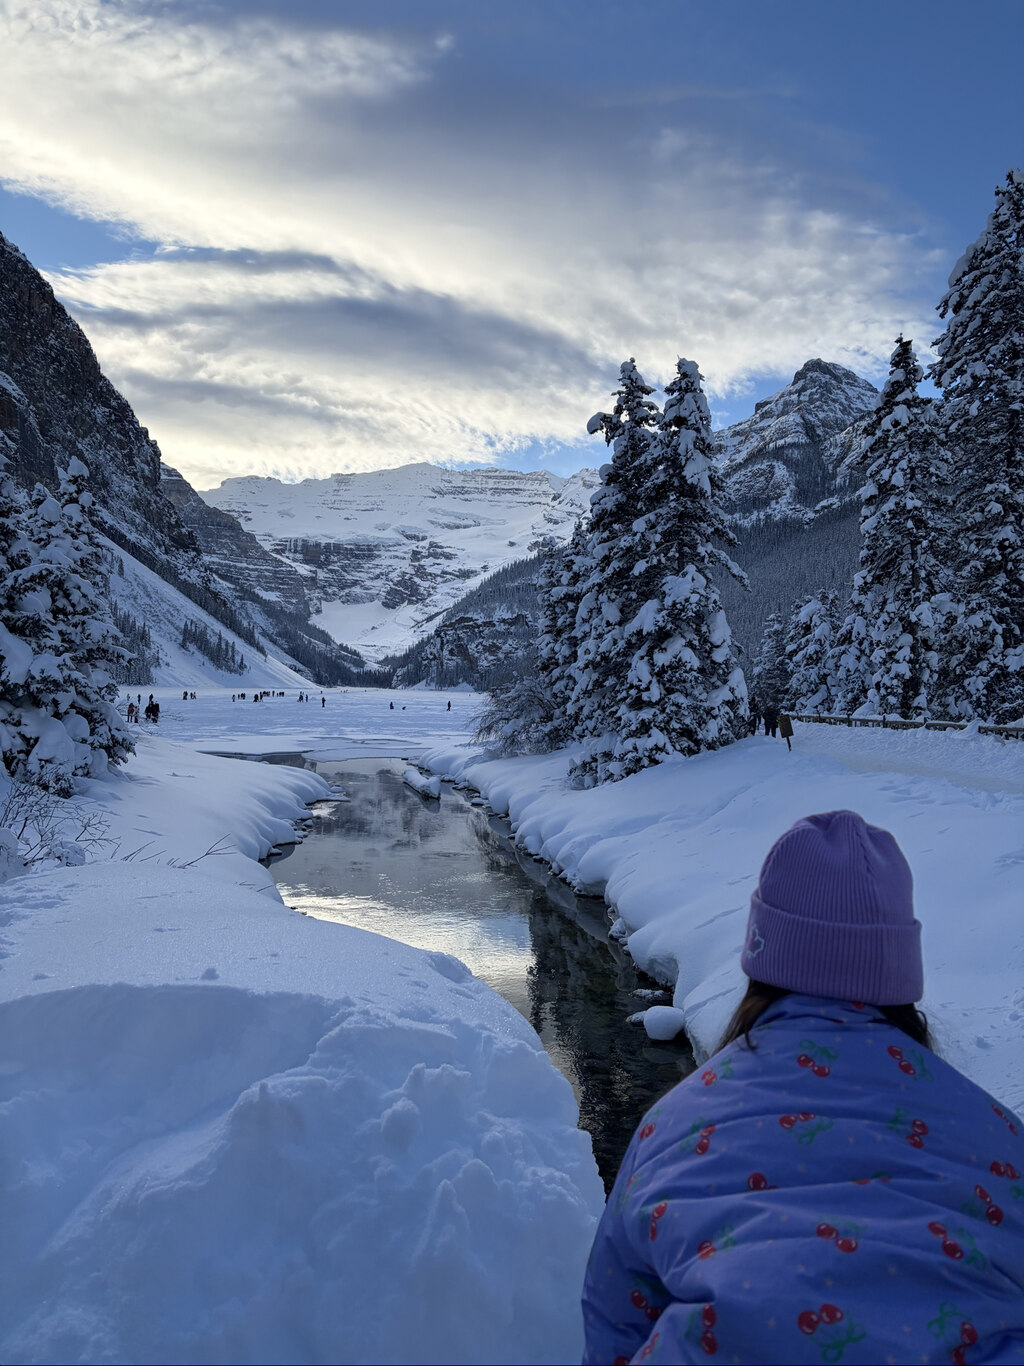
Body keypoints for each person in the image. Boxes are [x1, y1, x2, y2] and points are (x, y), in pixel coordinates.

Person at [581, 811, 1024, 1364]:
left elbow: (613, 1322)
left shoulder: (674, 1125)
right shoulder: (1001, 1139)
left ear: (763, 960)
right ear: (900, 972)